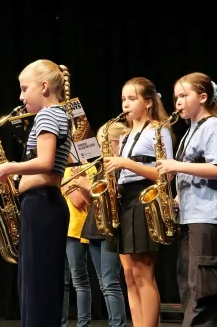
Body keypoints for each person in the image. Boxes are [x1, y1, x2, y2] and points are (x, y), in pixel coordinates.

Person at [156, 73, 217, 327]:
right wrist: (176, 196)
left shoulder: (213, 127)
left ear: (203, 97)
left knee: (203, 291)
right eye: (176, 97)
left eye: (184, 96)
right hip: (193, 216)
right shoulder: (193, 130)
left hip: (210, 218)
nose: (178, 102)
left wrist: (176, 165)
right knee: (190, 286)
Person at [0, 59, 72, 327]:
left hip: (42, 204)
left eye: (25, 89)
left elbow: (46, 161)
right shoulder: (57, 114)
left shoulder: (48, 114)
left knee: (37, 286)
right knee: (37, 284)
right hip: (41, 204)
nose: (21, 96)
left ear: (45, 86)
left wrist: (9, 167)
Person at [103, 77, 172, 327]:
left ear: (149, 103)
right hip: (124, 201)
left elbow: (166, 174)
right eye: (123, 99)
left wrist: (127, 164)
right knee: (129, 276)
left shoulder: (159, 130)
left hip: (145, 200)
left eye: (132, 99)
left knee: (144, 275)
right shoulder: (124, 135)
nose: (126, 104)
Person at [78, 122, 127, 327]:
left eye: (104, 144)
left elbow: (115, 199)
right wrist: (83, 189)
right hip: (94, 226)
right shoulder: (102, 166)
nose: (101, 149)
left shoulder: (121, 167)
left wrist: (88, 186)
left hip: (110, 230)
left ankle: (118, 324)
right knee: (103, 283)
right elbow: (94, 201)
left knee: (110, 282)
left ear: (117, 143)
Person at [60, 163, 98, 327]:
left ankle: (83, 324)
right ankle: (61, 322)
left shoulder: (89, 167)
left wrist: (65, 180)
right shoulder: (62, 167)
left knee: (79, 281)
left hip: (76, 230)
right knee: (62, 282)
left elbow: (77, 201)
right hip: (60, 229)